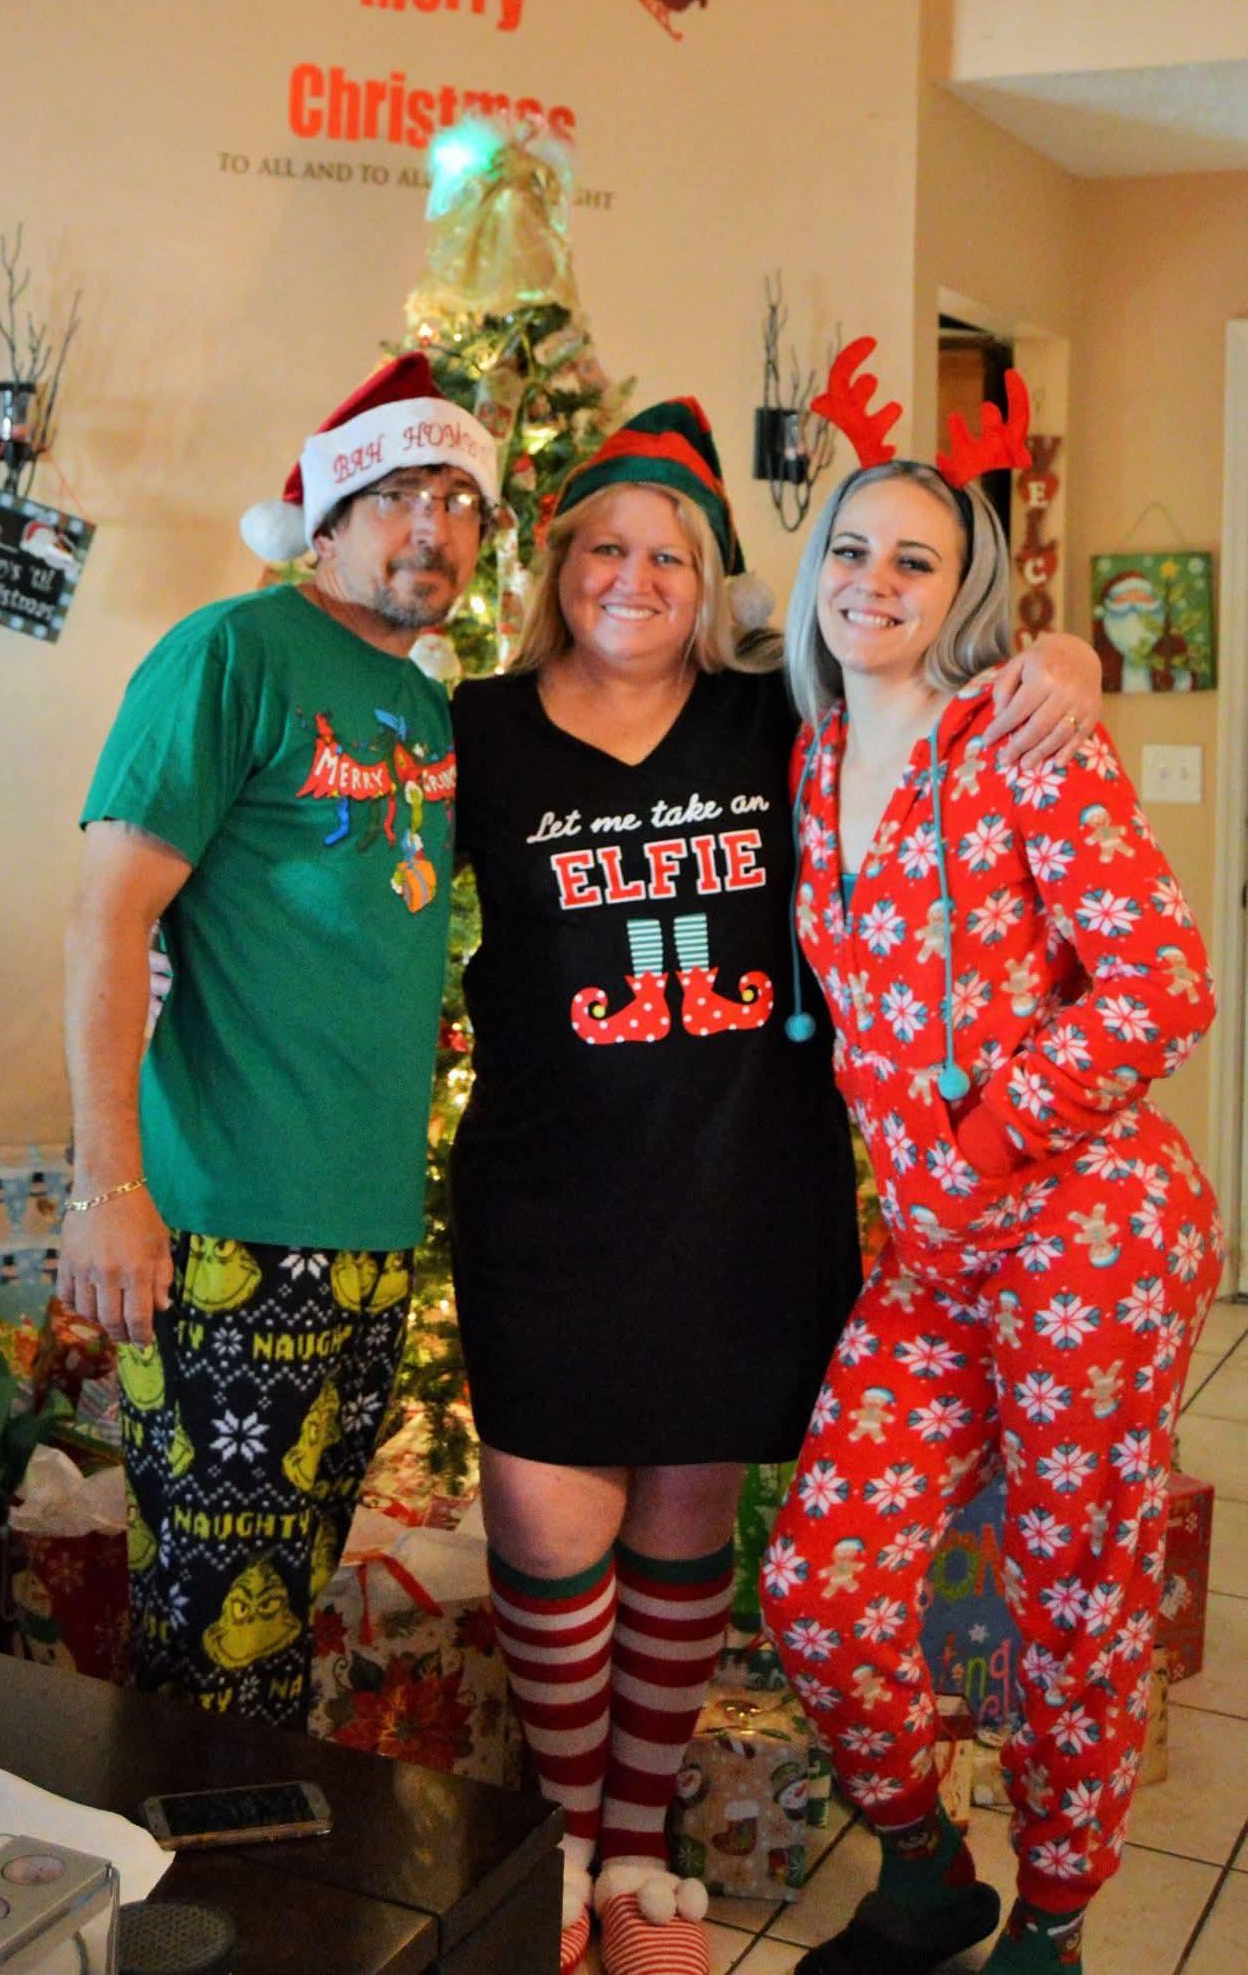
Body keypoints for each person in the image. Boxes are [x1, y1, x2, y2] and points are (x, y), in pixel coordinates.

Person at [446, 397, 1103, 1975]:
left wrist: (1066, 653)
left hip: (743, 1192)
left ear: (716, 580)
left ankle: (636, 1862)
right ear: (557, 563)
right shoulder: (471, 729)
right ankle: (564, 1855)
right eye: (603, 546)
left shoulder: (776, 717)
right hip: (547, 1197)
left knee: (685, 1537)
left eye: (668, 553)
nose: (632, 576)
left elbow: (936, 673)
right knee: (547, 1534)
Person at [761, 434, 1221, 1975]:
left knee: (1069, 1596)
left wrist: (981, 1140)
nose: (871, 582)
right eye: (848, 550)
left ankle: (1054, 1920)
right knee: (816, 1585)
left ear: (963, 593)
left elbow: (1162, 986)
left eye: (914, 560)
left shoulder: (1023, 741)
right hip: (932, 1259)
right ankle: (924, 1870)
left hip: (1089, 1238)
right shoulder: (814, 757)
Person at [59, 354, 499, 1726]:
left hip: (364, 1231)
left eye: (459, 500)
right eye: (399, 494)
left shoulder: (424, 703)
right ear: (326, 517)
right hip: (222, 1228)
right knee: (209, 1635)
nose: (431, 526)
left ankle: (241, 1843)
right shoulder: (231, 653)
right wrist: (108, 1186)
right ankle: (170, 1862)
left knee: (280, 1606)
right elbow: (108, 914)